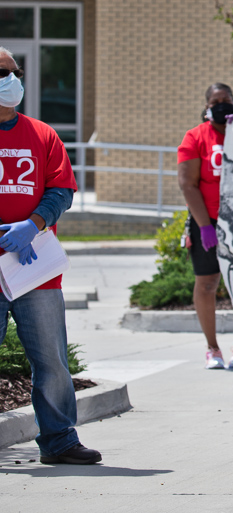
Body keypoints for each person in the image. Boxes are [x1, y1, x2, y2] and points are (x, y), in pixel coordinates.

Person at [0, 47, 101, 465]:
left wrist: (34, 224)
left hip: (33, 269)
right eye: (4, 72)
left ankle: (59, 441)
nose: (12, 78)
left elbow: (61, 189)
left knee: (52, 362)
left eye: (14, 72)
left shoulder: (42, 134)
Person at [177, 83, 233, 369]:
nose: (222, 104)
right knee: (207, 283)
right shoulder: (195, 137)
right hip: (206, 223)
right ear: (207, 107)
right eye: (215, 101)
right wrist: (205, 225)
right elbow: (187, 184)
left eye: (227, 100)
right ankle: (212, 348)